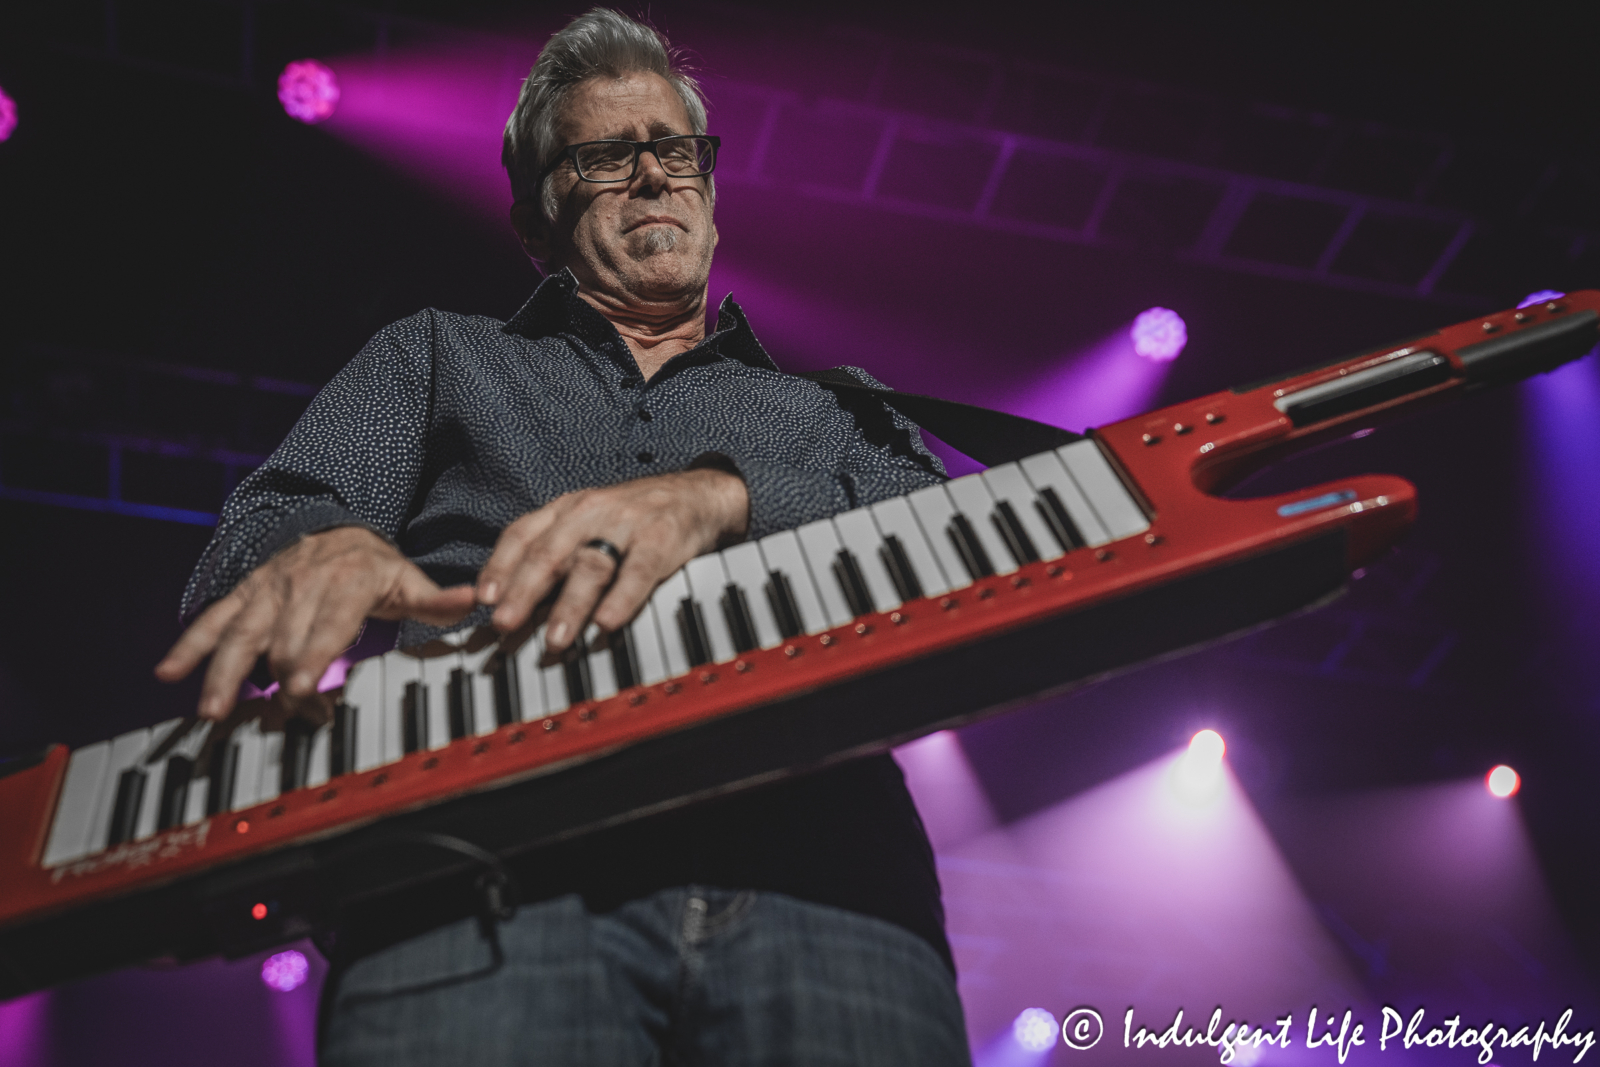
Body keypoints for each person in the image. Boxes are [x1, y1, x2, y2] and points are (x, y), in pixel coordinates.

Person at [157, 8, 972, 1065]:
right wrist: (321, 544)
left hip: (823, 877)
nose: (652, 176)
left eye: (674, 149)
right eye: (603, 156)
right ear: (537, 224)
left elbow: (959, 548)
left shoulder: (833, 407)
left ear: (710, 189)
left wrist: (721, 495)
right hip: (478, 867)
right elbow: (250, 542)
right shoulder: (437, 355)